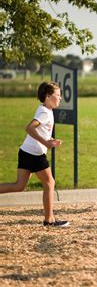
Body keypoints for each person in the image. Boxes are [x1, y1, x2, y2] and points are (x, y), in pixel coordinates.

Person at [0, 82, 69, 227]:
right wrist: (46, 143)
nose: (60, 98)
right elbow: (29, 128)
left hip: (26, 151)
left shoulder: (46, 110)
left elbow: (40, 131)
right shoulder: (44, 112)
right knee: (50, 183)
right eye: (58, 95)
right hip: (34, 154)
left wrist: (50, 140)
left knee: (19, 186)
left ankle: (49, 219)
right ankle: (49, 220)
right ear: (48, 96)